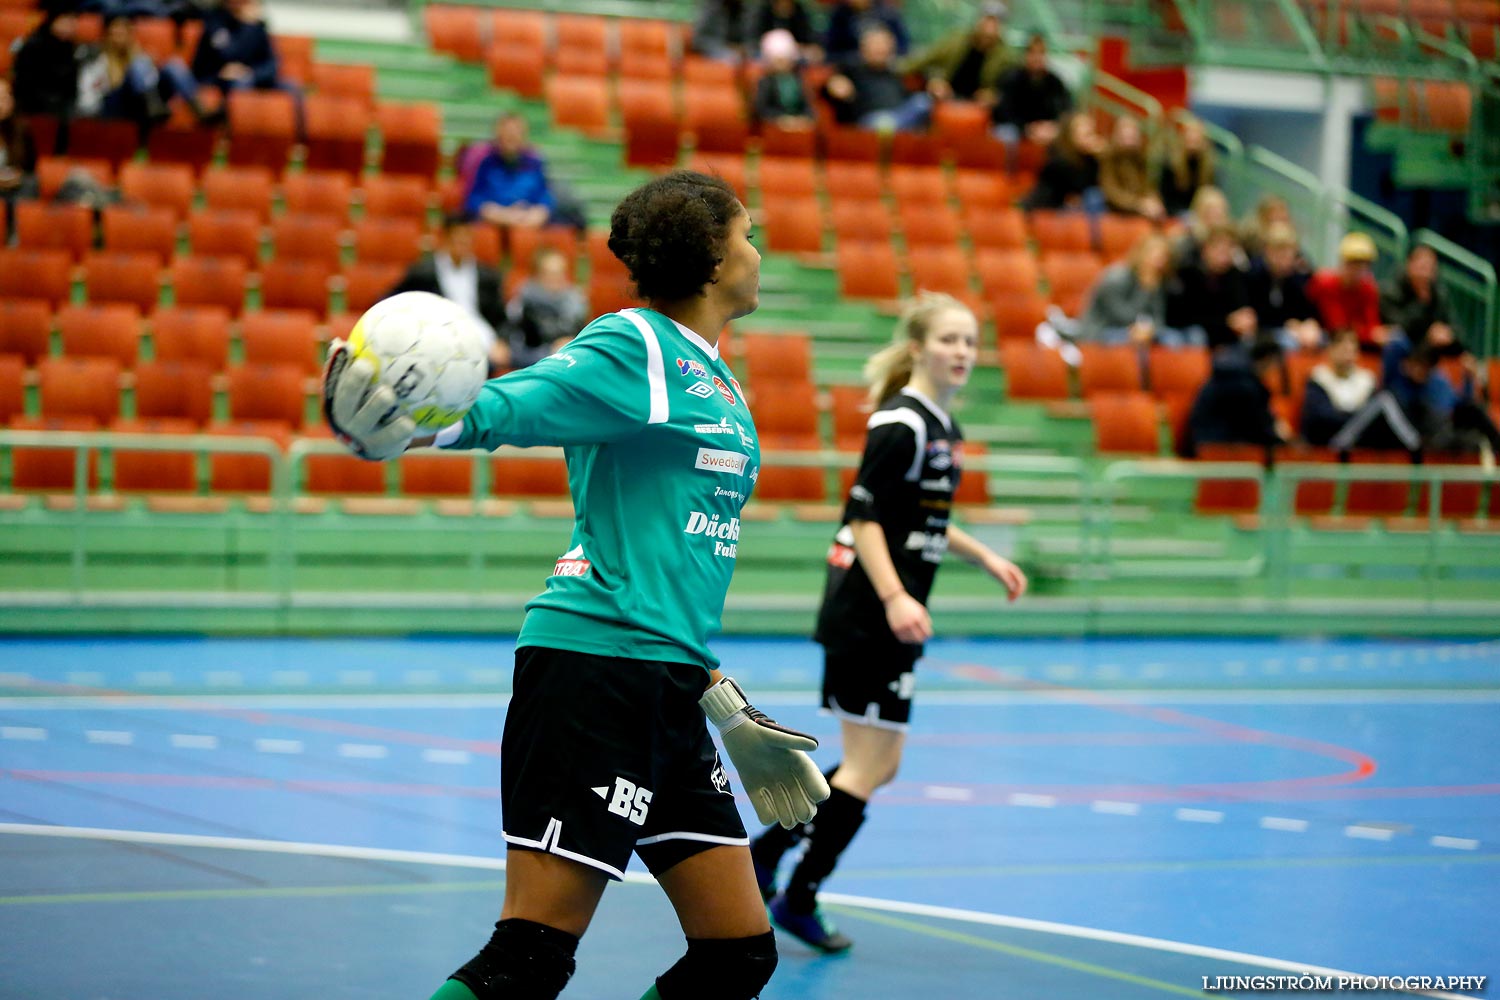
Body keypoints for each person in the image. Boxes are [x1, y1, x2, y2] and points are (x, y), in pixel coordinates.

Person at [323, 170, 831, 1000]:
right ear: (710, 259)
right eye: (747, 234)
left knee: (737, 954)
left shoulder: (714, 375)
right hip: (594, 677)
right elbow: (522, 402)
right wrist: (430, 423)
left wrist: (712, 693)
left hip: (666, 682)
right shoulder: (636, 345)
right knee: (528, 958)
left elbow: (665, 549)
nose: (758, 250)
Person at [749, 292, 1028, 953]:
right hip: (868, 616)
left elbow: (920, 516)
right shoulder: (899, 423)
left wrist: (984, 553)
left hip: (887, 616)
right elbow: (865, 517)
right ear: (917, 348)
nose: (962, 351)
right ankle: (798, 893)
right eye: (949, 339)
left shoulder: (940, 426)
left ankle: (768, 853)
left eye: (970, 341)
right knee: (869, 767)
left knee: (881, 765)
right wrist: (898, 597)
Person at [386, 214, 509, 374]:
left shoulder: (487, 275)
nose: (462, 244)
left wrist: (501, 340)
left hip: (483, 339)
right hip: (440, 339)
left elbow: (501, 317)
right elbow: (393, 300)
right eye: (457, 239)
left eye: (466, 239)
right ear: (445, 238)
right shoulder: (423, 273)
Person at [76, 13, 205, 127]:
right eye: (115, 34)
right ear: (107, 36)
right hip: (116, 107)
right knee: (139, 63)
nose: (119, 38)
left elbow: (151, 81)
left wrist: (153, 67)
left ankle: (200, 112)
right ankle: (152, 106)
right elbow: (90, 97)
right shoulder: (98, 57)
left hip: (144, 107)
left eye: (123, 33)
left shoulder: (140, 54)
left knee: (174, 65)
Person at [1183, 339, 1288, 457]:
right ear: (1268, 359)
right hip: (1214, 446)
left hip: (1209, 440)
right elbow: (1255, 427)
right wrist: (1283, 439)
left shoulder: (1238, 376)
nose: (1275, 371)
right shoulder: (1243, 385)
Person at [901, 2, 1012, 109]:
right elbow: (926, 60)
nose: (989, 28)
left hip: (978, 108)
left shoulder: (1005, 56)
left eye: (995, 23)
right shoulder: (956, 41)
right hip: (945, 98)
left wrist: (992, 95)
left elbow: (1007, 89)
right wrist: (935, 81)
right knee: (920, 104)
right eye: (987, 20)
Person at [1075, 233, 1180, 347]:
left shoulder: (1157, 279)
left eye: (1163, 258)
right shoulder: (1115, 277)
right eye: (1155, 257)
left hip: (1139, 331)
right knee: (1128, 340)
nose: (1159, 263)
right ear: (1141, 254)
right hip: (1102, 330)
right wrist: (1145, 290)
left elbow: (1159, 317)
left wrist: (1151, 331)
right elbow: (1121, 317)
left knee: (1174, 339)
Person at [821, 26, 932, 133]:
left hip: (901, 114)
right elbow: (828, 90)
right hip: (869, 120)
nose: (881, 48)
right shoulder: (851, 68)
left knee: (922, 101)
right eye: (876, 44)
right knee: (883, 123)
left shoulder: (897, 70)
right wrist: (834, 83)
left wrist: (934, 86)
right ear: (863, 47)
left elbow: (917, 91)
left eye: (884, 44)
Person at [1301, 329, 1399, 449]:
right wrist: (1359, 417)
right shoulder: (1318, 378)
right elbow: (1321, 418)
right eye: (1343, 350)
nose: (1348, 356)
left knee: (1385, 401)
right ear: (1330, 350)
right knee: (1384, 400)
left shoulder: (1366, 380)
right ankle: (1416, 448)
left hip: (1361, 442)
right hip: (1331, 441)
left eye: (1352, 351)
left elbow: (1373, 420)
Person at [463, 113, 557, 230]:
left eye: (515, 132)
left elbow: (545, 199)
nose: (511, 136)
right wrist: (501, 214)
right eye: (507, 133)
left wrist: (536, 214)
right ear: (498, 135)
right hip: (495, 223)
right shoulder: (486, 163)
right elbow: (474, 201)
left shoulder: (534, 163)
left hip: (527, 223)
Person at [1166, 224, 1252, 350]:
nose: (1224, 253)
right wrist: (1226, 322)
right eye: (1219, 248)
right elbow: (1184, 317)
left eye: (1229, 248)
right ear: (1205, 250)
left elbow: (1241, 309)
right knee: (1195, 335)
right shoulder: (1188, 274)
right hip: (1195, 333)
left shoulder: (1235, 275)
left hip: (1228, 337)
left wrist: (1246, 318)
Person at [504, 246, 589, 370]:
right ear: (537, 275)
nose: (556, 279)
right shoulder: (523, 299)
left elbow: (581, 335)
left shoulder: (575, 301)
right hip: (530, 361)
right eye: (550, 273)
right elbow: (512, 342)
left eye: (560, 273)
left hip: (567, 362)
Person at [1246, 221, 1322, 352]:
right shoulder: (1253, 275)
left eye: (1290, 255)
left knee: (1320, 340)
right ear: (1268, 252)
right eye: (1281, 254)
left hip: (1292, 333)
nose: (1286, 260)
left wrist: (1309, 323)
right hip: (1261, 335)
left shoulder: (1298, 278)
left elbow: (1306, 311)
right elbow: (1254, 317)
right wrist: (1288, 325)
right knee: (1288, 343)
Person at [1306, 232, 1388, 351]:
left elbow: (1373, 324)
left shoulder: (1368, 288)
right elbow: (1337, 327)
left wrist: (1372, 334)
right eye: (1353, 264)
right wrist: (1369, 334)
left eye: (1363, 265)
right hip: (1324, 341)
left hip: (1354, 344)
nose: (1357, 270)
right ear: (1342, 263)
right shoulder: (1325, 284)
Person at [190, 0, 288, 96]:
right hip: (216, 77)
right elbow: (229, 55)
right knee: (240, 83)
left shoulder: (256, 26)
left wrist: (250, 73)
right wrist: (246, 26)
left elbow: (272, 65)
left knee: (291, 87)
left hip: (251, 76)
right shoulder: (214, 21)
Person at [991, 33, 1072, 150]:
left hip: (1047, 130)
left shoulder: (1055, 82)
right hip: (1017, 128)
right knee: (1006, 134)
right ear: (1025, 55)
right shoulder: (1011, 78)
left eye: (1041, 53)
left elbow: (1067, 108)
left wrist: (1052, 127)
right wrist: (1027, 128)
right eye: (1033, 53)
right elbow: (1002, 112)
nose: (1037, 57)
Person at [1380, 244, 1465, 355]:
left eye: (1431, 269)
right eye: (1422, 267)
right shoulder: (1390, 292)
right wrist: (1421, 303)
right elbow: (1399, 329)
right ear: (1409, 265)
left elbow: (1458, 331)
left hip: (1428, 360)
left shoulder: (1439, 296)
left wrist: (1449, 335)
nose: (1426, 275)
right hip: (1398, 356)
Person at [10, 1, 85, 119]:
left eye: (74, 20)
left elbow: (71, 88)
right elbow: (25, 87)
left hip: (63, 113)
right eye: (67, 19)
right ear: (53, 21)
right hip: (33, 111)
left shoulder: (71, 48)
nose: (72, 24)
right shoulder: (32, 46)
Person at [1023, 110, 1105, 211]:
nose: (1092, 139)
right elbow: (1079, 187)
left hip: (1071, 211)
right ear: (1071, 135)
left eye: (1092, 133)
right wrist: (1096, 157)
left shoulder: (1089, 158)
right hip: (1048, 211)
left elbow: (1098, 183)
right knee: (1093, 197)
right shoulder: (1058, 160)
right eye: (1087, 134)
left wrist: (1101, 157)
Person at [1099, 113, 1165, 219]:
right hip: (1118, 210)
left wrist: (1154, 200)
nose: (1130, 138)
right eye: (1126, 134)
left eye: (1133, 134)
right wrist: (1139, 204)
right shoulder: (1109, 157)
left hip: (1140, 208)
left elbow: (1148, 186)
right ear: (1118, 135)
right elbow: (1111, 192)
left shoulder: (1141, 157)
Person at [751, 29, 816, 129]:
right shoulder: (765, 82)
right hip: (774, 130)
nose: (782, 64)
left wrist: (802, 119)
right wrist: (781, 119)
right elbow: (760, 110)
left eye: (785, 59)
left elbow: (810, 108)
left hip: (799, 130)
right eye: (778, 60)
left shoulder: (799, 80)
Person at [0, 79, 37, 242]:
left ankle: (19, 238)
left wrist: (17, 175)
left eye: (4, 98)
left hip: (15, 187)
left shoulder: (21, 129)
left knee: (30, 183)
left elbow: (30, 166)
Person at [1159, 115, 1216, 218]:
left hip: (1199, 215)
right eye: (1190, 137)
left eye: (1197, 137)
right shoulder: (1170, 164)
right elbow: (1165, 198)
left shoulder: (1208, 166)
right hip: (1174, 213)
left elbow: (1209, 192)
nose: (1193, 141)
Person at [823, 0, 909, 62]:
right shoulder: (840, 16)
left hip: (889, 68)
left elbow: (904, 46)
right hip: (856, 70)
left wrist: (886, 53)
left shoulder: (888, 12)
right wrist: (863, 56)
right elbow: (832, 52)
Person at [744, 0, 821, 63]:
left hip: (795, 53)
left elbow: (806, 37)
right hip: (767, 54)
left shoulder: (799, 12)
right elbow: (756, 36)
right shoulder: (765, 11)